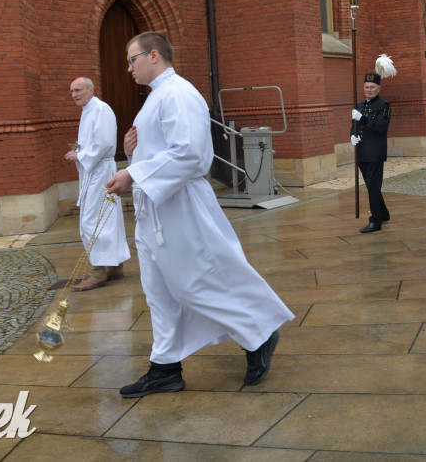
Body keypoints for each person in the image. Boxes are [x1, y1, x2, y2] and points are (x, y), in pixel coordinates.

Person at [105, 32, 293, 397]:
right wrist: (133, 157)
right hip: (155, 210)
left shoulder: (178, 93)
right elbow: (161, 152)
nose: (128, 68)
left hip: (180, 208)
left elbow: (190, 154)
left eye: (132, 60)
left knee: (195, 284)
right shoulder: (157, 97)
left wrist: (134, 173)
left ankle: (259, 335)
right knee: (158, 292)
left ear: (154, 55)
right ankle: (165, 368)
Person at [65, 77, 131, 291]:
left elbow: (103, 143)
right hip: (94, 170)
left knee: (91, 220)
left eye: (78, 90)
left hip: (100, 170)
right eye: (72, 91)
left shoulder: (101, 109)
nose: (74, 94)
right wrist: (80, 154)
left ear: (91, 89)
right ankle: (114, 267)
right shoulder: (89, 110)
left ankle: (98, 272)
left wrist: (80, 155)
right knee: (106, 218)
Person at [351, 70, 391, 233]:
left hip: (375, 152)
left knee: (373, 187)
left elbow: (382, 127)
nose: (369, 90)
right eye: (366, 87)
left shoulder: (384, 105)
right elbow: (353, 126)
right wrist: (352, 136)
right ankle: (383, 213)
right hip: (361, 152)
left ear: (378, 88)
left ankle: (375, 221)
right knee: (370, 185)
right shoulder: (359, 105)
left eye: (372, 87)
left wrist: (363, 119)